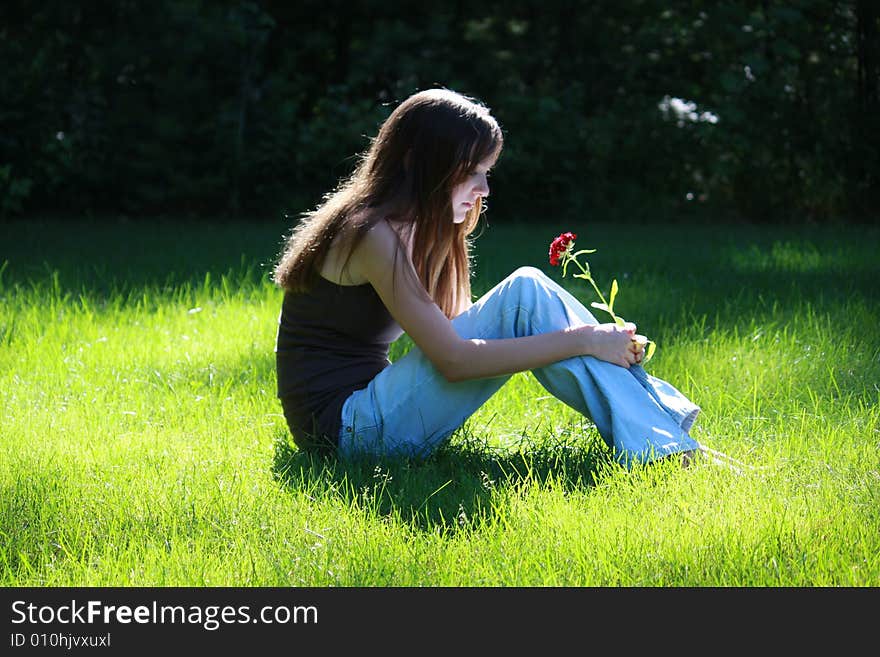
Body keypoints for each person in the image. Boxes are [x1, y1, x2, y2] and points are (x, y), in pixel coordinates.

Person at [272, 87, 702, 467]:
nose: (484, 189)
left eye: (487, 172)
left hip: (371, 415)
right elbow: (456, 361)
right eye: (470, 172)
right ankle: (664, 446)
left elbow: (461, 327)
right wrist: (586, 338)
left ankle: (665, 443)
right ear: (421, 164)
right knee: (524, 293)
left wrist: (588, 339)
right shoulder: (369, 234)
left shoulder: (416, 227)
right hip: (344, 434)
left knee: (526, 295)